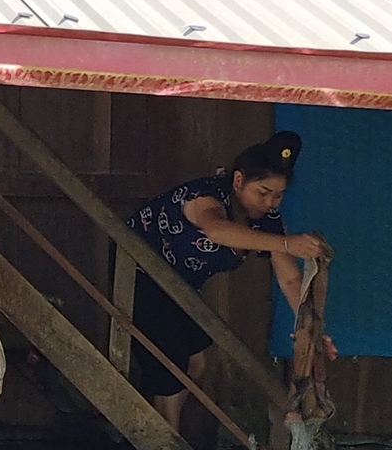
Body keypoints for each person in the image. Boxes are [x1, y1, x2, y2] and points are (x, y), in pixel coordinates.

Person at [124, 130, 332, 434]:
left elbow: (290, 280)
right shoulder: (207, 197)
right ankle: (166, 443)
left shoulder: (268, 222)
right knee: (172, 366)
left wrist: (313, 328)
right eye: (262, 192)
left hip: (180, 290)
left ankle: (159, 431)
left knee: (197, 364)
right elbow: (216, 230)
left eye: (278, 195)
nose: (270, 202)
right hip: (142, 274)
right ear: (238, 181)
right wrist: (287, 244)